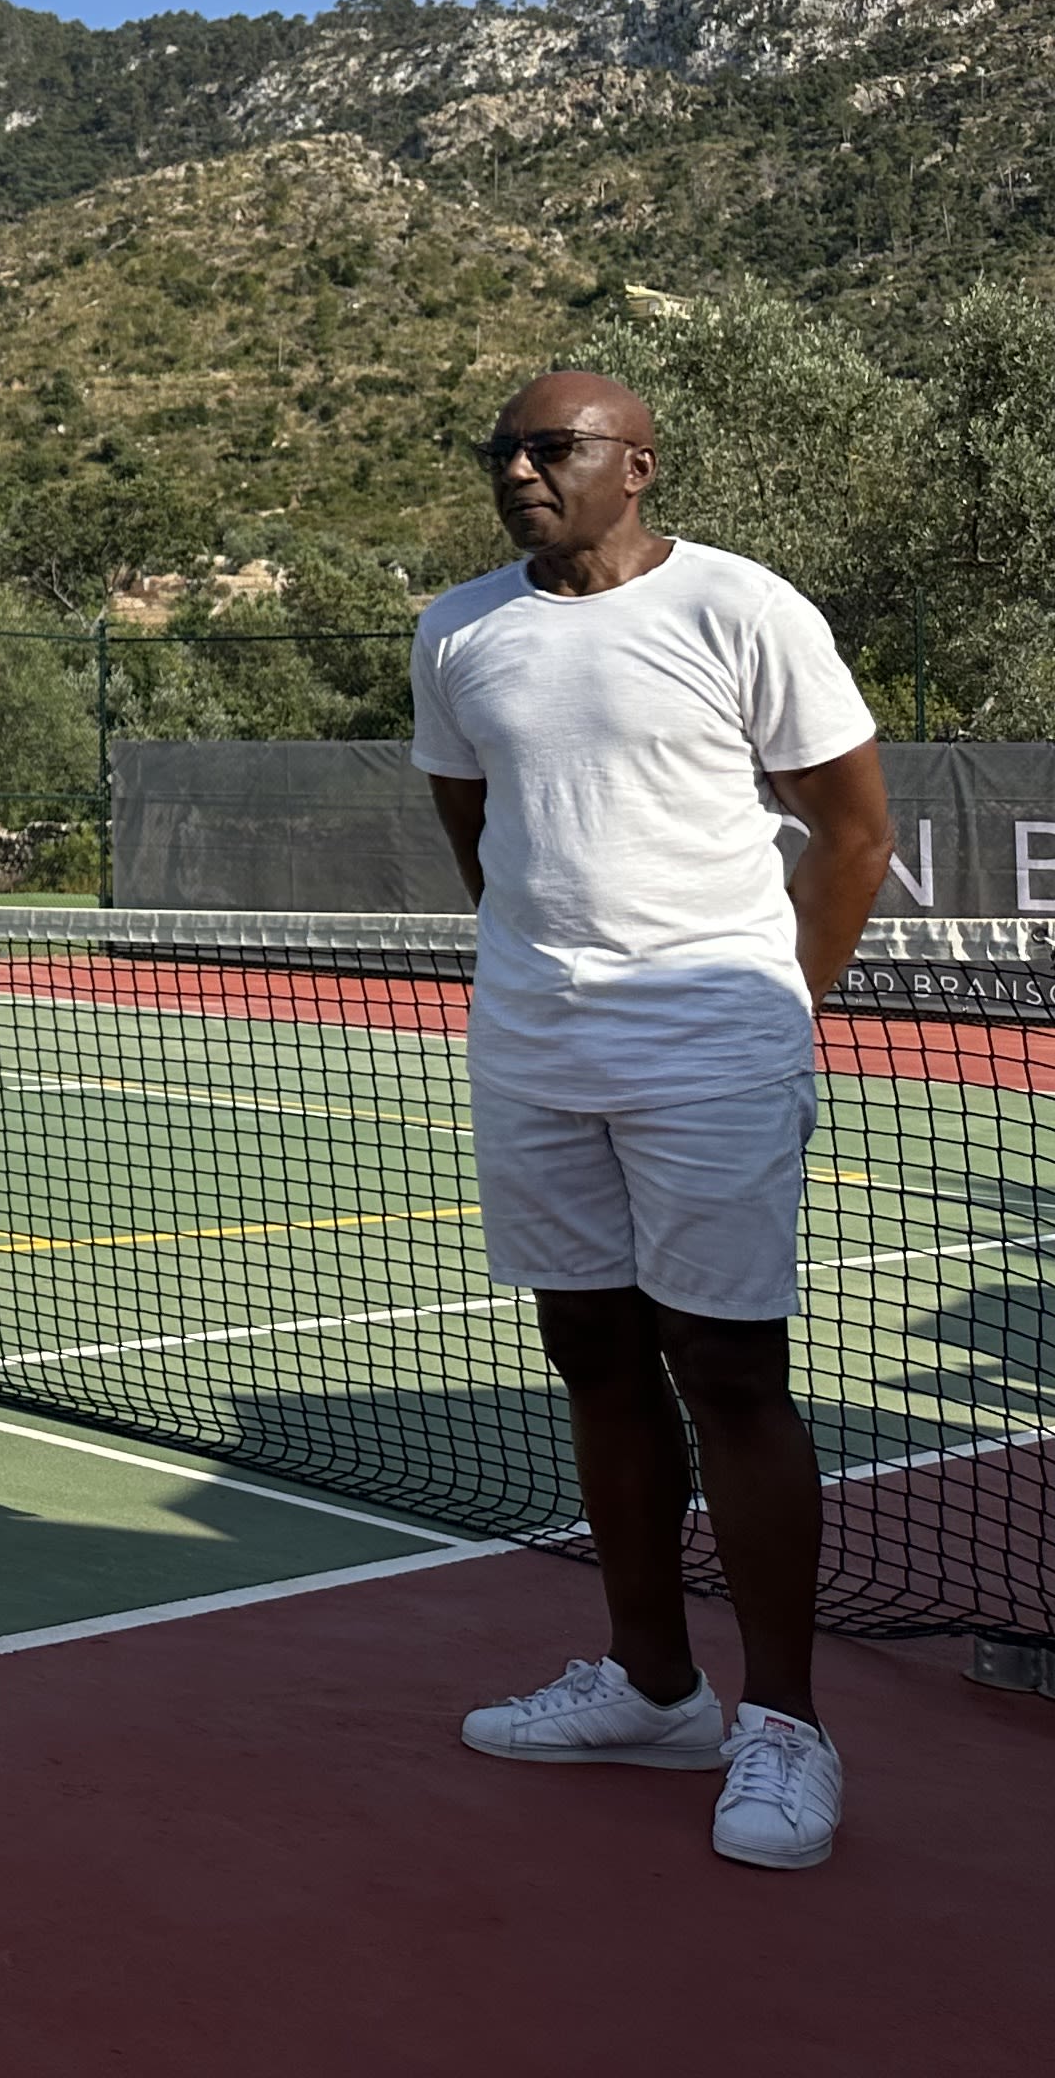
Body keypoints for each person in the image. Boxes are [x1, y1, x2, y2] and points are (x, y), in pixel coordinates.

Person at [420, 371, 890, 1872]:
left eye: (550, 448)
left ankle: (787, 1727)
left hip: (714, 1043)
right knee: (595, 1356)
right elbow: (480, 833)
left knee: (732, 1370)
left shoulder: (746, 609)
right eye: (502, 450)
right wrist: (548, 975)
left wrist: (779, 1007)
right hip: (533, 1049)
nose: (518, 471)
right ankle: (652, 1686)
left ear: (639, 466)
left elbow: (853, 828)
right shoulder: (459, 631)